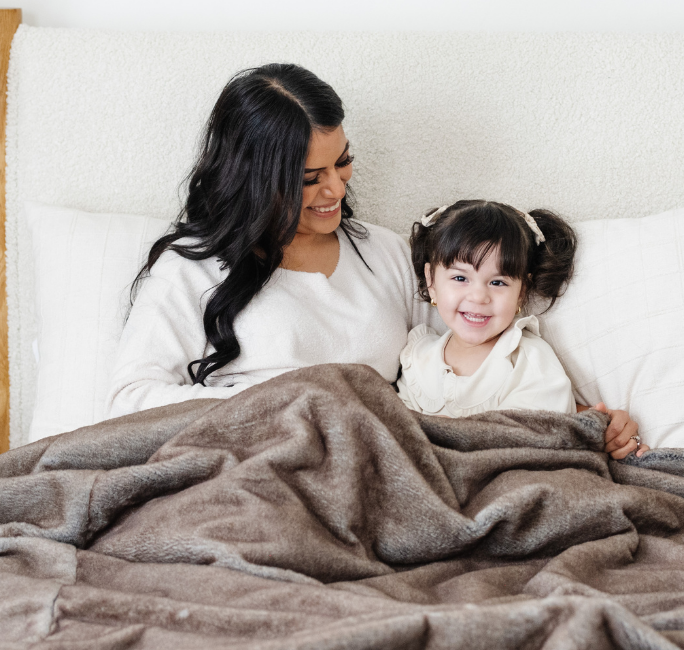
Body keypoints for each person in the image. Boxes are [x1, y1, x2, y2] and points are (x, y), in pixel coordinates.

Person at [107, 63, 430, 415]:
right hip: (257, 455)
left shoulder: (387, 252)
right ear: (254, 179)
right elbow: (130, 401)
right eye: (310, 178)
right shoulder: (191, 271)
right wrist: (285, 405)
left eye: (343, 161)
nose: (337, 187)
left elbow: (463, 358)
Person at [398, 200, 648, 460]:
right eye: (460, 278)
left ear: (522, 293)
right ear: (431, 281)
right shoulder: (416, 357)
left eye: (498, 282)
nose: (479, 296)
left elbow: (539, 438)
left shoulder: (527, 358)